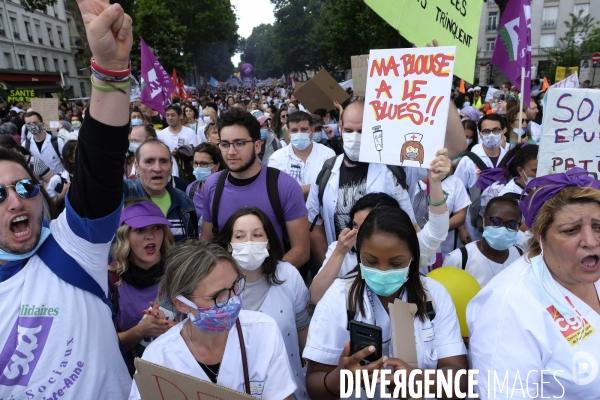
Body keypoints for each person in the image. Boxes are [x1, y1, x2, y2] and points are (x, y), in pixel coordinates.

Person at [0, 0, 133, 396]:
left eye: (24, 187)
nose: (15, 202)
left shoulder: (74, 245)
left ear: (40, 196)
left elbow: (99, 163)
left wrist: (109, 71)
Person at [304, 206, 468, 398]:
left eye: (396, 263)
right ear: (359, 256)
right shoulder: (339, 297)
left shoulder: (434, 295)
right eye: (371, 262)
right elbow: (314, 384)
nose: (382, 271)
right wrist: (339, 380)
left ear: (412, 258)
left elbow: (460, 378)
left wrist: (421, 381)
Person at [468, 168, 600, 398]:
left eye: (598, 227)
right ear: (540, 236)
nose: (590, 241)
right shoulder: (508, 308)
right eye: (571, 230)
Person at [128, 242, 297, 399]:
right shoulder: (158, 358)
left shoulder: (263, 331)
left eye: (235, 285)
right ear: (182, 304)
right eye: (218, 296)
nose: (233, 299)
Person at [214, 208, 311, 400]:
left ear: (268, 243)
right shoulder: (213, 286)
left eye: (257, 235)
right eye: (240, 236)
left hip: (289, 388)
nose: (249, 241)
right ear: (229, 245)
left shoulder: (288, 275)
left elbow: (303, 332)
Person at [306, 101, 418, 266]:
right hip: (340, 271)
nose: (355, 137)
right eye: (349, 131)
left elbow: (408, 224)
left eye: (362, 131)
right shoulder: (326, 172)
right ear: (340, 127)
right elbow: (315, 222)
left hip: (383, 270)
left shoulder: (392, 169)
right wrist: (329, 267)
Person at [200, 108, 309, 268]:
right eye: (225, 144)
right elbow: (207, 241)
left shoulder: (284, 186)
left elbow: (301, 250)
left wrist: (264, 280)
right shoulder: (212, 185)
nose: (231, 152)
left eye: (239, 143)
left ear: (257, 146)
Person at [109, 199, 175, 374]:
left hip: (176, 375)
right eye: (139, 230)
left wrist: (166, 325)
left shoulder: (180, 272)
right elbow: (102, 346)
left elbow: (200, 328)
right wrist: (141, 330)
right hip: (129, 379)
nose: (150, 235)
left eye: (157, 227)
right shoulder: (110, 278)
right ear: (124, 236)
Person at [124, 138, 198, 242]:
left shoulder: (184, 202)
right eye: (149, 161)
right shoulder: (124, 194)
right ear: (137, 166)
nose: (157, 168)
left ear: (171, 167)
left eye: (164, 161)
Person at [443, 197, 523, 287]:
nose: (503, 229)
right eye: (496, 222)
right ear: (483, 221)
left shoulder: (520, 256)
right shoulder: (460, 259)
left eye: (511, 225)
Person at [268, 111, 335, 200]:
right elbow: (279, 191)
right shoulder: (277, 158)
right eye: (294, 130)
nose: (299, 134)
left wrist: (295, 190)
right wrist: (317, 187)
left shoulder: (328, 154)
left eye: (304, 129)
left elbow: (331, 186)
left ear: (312, 131)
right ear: (289, 133)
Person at [186, 143, 226, 234]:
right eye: (196, 163)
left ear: (216, 165)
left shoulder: (225, 189)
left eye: (204, 164)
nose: (199, 168)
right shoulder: (191, 189)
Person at [46, 139, 77, 211]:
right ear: (71, 159)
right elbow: (48, 206)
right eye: (80, 152)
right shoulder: (58, 180)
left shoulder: (87, 176)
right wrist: (62, 195)